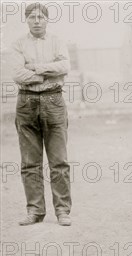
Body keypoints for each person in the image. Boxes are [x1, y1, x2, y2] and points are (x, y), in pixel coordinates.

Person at [11, 3, 72, 226]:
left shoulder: (57, 41)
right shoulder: (18, 43)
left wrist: (34, 67)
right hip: (26, 101)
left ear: (47, 19)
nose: (36, 21)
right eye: (32, 17)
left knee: (59, 161)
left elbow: (65, 66)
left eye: (41, 17)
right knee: (30, 162)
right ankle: (35, 211)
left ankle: (63, 210)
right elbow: (18, 74)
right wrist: (47, 73)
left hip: (53, 101)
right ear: (26, 20)